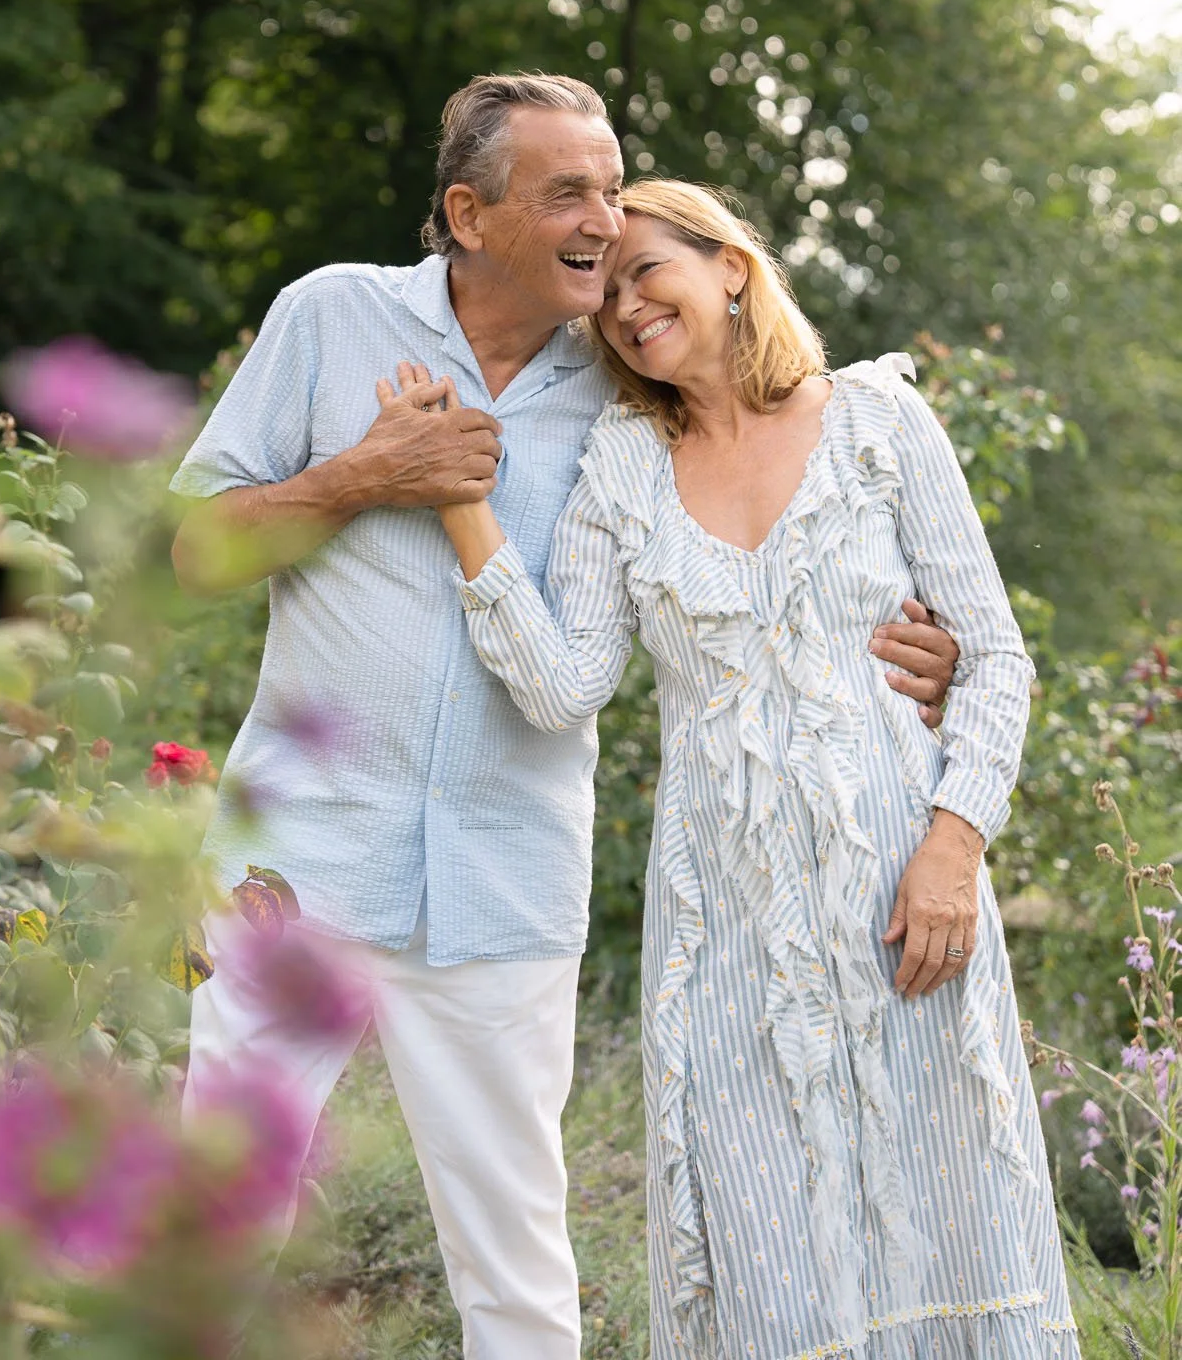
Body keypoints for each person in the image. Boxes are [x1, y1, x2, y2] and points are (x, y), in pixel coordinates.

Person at [169, 77, 960, 1360]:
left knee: (518, 1275)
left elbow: (759, 529)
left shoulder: (631, 377)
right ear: (469, 213)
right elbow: (184, 551)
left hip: (505, 874)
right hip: (294, 864)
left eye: (613, 183)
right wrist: (366, 475)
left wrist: (910, 645)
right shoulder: (328, 317)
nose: (608, 216)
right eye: (570, 192)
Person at [417, 176, 1079, 1360]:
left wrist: (952, 843)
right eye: (603, 293)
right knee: (768, 1251)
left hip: (903, 899)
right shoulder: (621, 463)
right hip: (723, 927)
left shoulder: (876, 421)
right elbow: (566, 681)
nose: (622, 306)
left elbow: (994, 658)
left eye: (644, 270)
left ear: (729, 264)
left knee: (950, 1225)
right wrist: (465, 508)